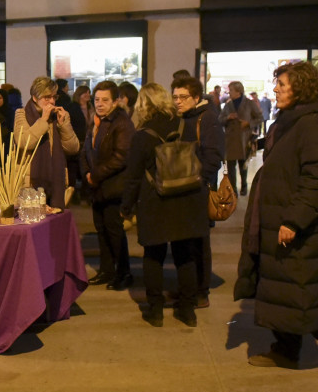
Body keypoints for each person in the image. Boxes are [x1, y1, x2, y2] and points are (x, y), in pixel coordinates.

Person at [236, 61, 318, 374]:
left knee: (304, 294)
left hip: (299, 226)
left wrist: (294, 220)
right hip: (277, 216)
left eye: (282, 84)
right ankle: (287, 350)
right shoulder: (291, 121)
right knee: (280, 291)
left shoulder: (312, 124)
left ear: (301, 88)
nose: (275, 89)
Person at [121, 83, 209, 327]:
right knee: (185, 255)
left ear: (144, 105)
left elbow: (134, 176)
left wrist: (126, 207)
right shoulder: (187, 127)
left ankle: (156, 310)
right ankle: (187, 310)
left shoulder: (141, 136)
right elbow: (200, 160)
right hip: (187, 198)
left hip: (155, 201)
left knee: (153, 255)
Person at [171, 76, 223, 309]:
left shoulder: (207, 118)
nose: (178, 102)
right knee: (184, 243)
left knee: (200, 243)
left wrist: (198, 181)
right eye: (175, 97)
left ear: (195, 97)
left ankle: (201, 291)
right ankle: (188, 289)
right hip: (181, 191)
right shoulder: (182, 119)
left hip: (198, 191)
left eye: (182, 97)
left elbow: (213, 158)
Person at [81, 80, 134, 290]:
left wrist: (95, 175)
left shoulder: (122, 122)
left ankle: (124, 273)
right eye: (97, 100)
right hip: (97, 186)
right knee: (101, 230)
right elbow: (86, 149)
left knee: (114, 231)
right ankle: (106, 270)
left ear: (115, 101)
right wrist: (86, 173)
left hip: (113, 186)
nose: (100, 104)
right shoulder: (95, 121)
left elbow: (121, 157)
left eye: (105, 100)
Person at [14, 76, 80, 208]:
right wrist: (43, 120)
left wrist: (64, 125)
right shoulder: (22, 114)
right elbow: (24, 142)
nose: (51, 101)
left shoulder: (58, 117)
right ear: (35, 97)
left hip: (55, 180)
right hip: (30, 183)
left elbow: (73, 148)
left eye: (54, 97)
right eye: (47, 97)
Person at [219, 80, 263, 196]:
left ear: (238, 91)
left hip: (244, 139)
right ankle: (233, 189)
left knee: (243, 165)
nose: (229, 93)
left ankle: (244, 186)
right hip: (230, 139)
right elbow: (220, 120)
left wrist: (248, 123)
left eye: (231, 91)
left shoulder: (249, 104)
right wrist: (228, 117)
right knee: (230, 166)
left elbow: (259, 118)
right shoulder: (228, 105)